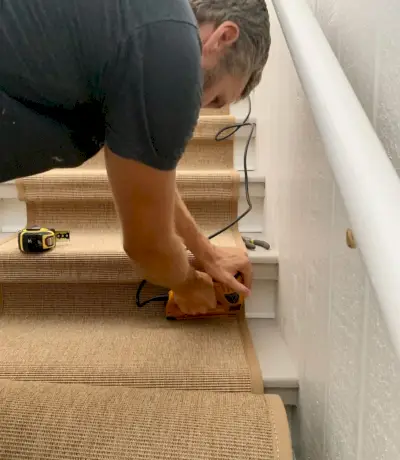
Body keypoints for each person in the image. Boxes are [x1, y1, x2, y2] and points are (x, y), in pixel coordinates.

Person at [0, 0, 271, 315]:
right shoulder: (173, 54)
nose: (198, 111)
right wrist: (189, 286)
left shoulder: (138, 27)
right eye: (214, 99)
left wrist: (204, 250)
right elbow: (147, 246)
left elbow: (150, 179)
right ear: (223, 37)